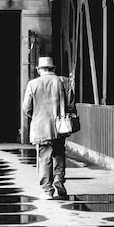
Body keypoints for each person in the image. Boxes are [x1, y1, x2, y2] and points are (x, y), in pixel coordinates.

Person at [22, 56, 75, 200]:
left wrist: (37, 116)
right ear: (53, 69)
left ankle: (47, 190)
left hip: (41, 127)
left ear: (39, 70)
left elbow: (27, 108)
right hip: (59, 127)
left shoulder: (33, 84)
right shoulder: (64, 82)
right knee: (59, 153)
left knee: (44, 158)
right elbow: (70, 105)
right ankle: (58, 178)